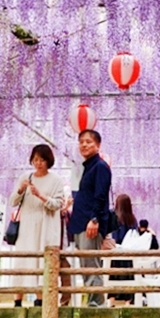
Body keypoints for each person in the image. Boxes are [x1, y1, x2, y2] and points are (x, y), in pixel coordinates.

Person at [8, 144, 66, 307]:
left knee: (41, 262)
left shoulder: (56, 181)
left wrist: (40, 195)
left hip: (45, 226)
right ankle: (17, 301)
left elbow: (57, 204)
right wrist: (21, 189)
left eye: (42, 160)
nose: (38, 163)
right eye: (35, 160)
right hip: (26, 226)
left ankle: (40, 300)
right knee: (22, 261)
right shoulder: (26, 177)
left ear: (48, 161)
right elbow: (12, 201)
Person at [67, 129, 112, 307]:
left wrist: (94, 219)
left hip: (89, 224)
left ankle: (97, 307)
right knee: (86, 265)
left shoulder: (100, 167)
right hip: (80, 223)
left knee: (91, 265)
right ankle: (93, 303)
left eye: (89, 141)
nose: (84, 145)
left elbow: (101, 196)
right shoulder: (88, 167)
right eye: (81, 142)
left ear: (98, 145)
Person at [107, 194, 139, 305]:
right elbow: (135, 236)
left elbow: (114, 237)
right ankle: (128, 301)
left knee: (113, 276)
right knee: (128, 276)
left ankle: (111, 300)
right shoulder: (132, 219)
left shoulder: (113, 217)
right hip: (128, 255)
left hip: (115, 253)